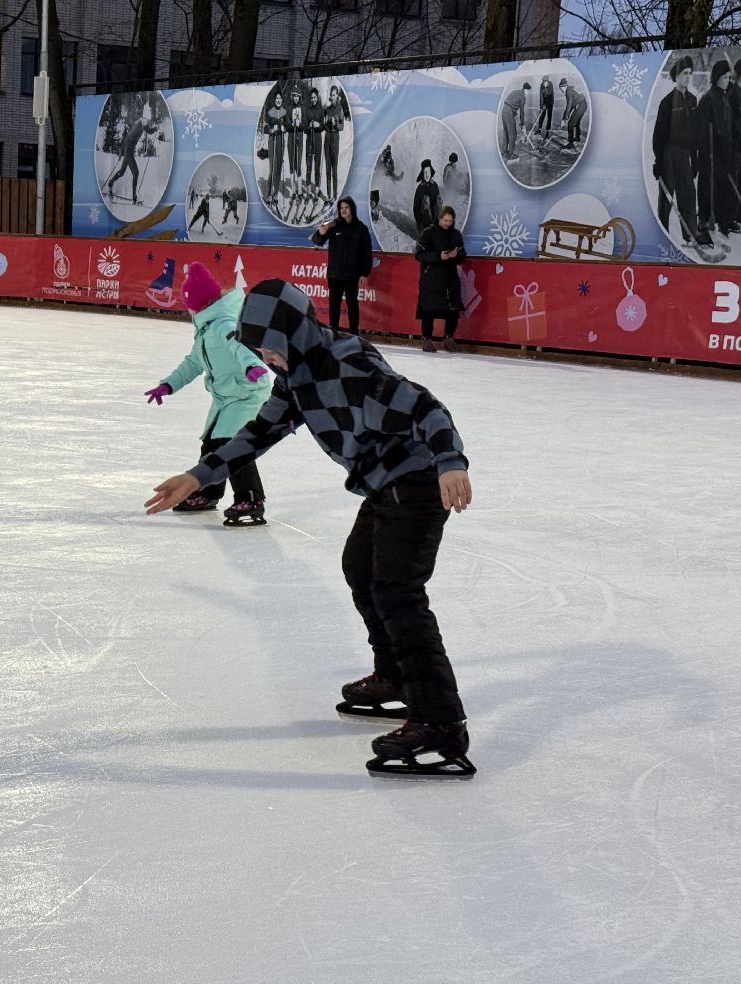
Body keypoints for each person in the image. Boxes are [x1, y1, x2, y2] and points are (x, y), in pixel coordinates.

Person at [145, 278, 476, 778]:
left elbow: (425, 407)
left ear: (294, 333)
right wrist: (198, 474)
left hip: (421, 481)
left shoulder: (349, 365)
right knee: (360, 569)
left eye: (270, 348)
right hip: (386, 485)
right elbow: (255, 433)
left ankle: (441, 723)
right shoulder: (297, 380)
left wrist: (451, 461)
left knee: (396, 591)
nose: (266, 358)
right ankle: (396, 678)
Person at [143, 263, 271, 526]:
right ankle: (209, 492)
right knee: (211, 443)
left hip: (246, 392)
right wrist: (168, 385)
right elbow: (193, 363)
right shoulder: (205, 329)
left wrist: (253, 367)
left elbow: (240, 347)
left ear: (198, 303)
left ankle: (251, 498)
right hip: (227, 396)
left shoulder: (223, 324)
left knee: (233, 444)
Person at [652, 56, 710, 252]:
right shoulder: (667, 102)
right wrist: (658, 161)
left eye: (689, 74)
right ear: (676, 77)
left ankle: (691, 233)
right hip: (669, 152)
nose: (688, 77)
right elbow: (658, 134)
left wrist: (694, 157)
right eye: (684, 74)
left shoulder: (693, 100)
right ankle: (663, 233)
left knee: (688, 193)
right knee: (667, 196)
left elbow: (694, 132)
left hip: (685, 152)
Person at [311, 195, 372, 334]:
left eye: (346, 207)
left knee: (352, 303)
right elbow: (317, 241)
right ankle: (333, 331)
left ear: (352, 209)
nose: (343, 210)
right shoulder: (333, 225)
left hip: (352, 274)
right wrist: (320, 233)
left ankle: (354, 333)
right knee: (334, 304)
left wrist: (365, 273)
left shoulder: (361, 229)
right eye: (341, 208)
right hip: (335, 274)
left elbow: (366, 253)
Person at [415, 203, 466, 353]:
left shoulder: (456, 235)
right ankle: (426, 339)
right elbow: (418, 254)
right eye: (445, 221)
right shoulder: (428, 233)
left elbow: (463, 256)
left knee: (453, 309)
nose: (447, 224)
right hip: (431, 279)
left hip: (450, 278)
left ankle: (449, 337)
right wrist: (438, 256)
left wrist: (457, 255)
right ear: (440, 219)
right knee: (428, 310)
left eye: (450, 221)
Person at [697, 58, 735, 240]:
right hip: (710, 152)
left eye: (729, 77)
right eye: (726, 77)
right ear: (717, 77)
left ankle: (721, 219)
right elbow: (701, 129)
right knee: (706, 186)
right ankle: (703, 221)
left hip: (723, 152)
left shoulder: (725, 98)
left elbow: (728, 125)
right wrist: (706, 151)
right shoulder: (708, 98)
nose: (728, 80)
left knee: (722, 186)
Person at [104, 104, 151, 204]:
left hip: (128, 150)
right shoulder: (138, 124)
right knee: (136, 173)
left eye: (148, 120)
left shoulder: (143, 124)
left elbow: (149, 130)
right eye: (147, 119)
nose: (147, 122)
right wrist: (121, 151)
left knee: (121, 172)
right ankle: (134, 197)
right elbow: (127, 138)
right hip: (128, 150)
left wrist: (155, 129)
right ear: (144, 117)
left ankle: (110, 183)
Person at [322, 85, 349, 200]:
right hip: (327, 137)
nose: (332, 97)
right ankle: (328, 196)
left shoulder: (340, 109)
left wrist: (335, 124)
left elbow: (342, 126)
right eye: (331, 95)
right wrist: (325, 123)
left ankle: (334, 195)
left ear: (337, 96)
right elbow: (323, 126)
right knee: (327, 168)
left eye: (334, 95)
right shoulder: (327, 109)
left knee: (334, 168)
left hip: (335, 137)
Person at [264, 92, 288, 206]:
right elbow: (265, 128)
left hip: (281, 140)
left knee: (278, 168)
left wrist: (284, 128)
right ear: (275, 100)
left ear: (282, 100)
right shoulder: (270, 112)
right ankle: (268, 194)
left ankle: (275, 194)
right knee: (272, 169)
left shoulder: (284, 112)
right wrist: (271, 129)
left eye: (280, 98)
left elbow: (287, 125)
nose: (278, 100)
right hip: (272, 140)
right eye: (277, 98)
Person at [500, 82, 530, 159]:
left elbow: (510, 102)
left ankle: (504, 152)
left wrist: (513, 114)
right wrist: (523, 124)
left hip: (504, 111)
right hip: (509, 112)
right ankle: (510, 154)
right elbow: (522, 111)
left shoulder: (515, 91)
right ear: (525, 90)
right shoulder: (523, 96)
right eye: (528, 91)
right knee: (513, 134)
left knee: (506, 132)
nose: (528, 93)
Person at [305, 86, 326, 188]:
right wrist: (309, 126)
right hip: (309, 139)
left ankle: (316, 191)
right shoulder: (307, 110)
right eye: (311, 97)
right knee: (309, 166)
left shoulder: (321, 110)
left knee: (317, 166)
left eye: (314, 97)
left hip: (317, 139)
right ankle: (308, 192)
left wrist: (319, 125)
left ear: (317, 97)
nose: (313, 99)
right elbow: (304, 127)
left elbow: (323, 126)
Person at [412, 159, 440, 235]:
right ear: (422, 174)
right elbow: (416, 207)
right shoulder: (420, 188)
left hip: (434, 220)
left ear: (431, 172)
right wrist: (419, 222)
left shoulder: (435, 185)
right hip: (423, 221)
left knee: (439, 199)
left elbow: (438, 206)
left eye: (429, 172)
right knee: (426, 198)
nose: (427, 174)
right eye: (425, 172)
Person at [560, 78, 588, 150]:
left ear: (563, 87)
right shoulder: (570, 89)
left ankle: (571, 143)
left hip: (580, 106)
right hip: (583, 104)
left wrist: (564, 119)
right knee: (576, 121)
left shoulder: (568, 92)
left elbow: (569, 106)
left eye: (561, 89)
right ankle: (577, 137)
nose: (561, 90)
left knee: (570, 124)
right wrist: (566, 116)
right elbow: (571, 105)